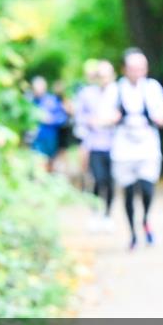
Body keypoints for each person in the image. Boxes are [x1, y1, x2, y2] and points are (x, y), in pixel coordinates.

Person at [102, 48, 163, 251]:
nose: (137, 72)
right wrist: (111, 118)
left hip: (148, 147)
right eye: (133, 68)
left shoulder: (152, 87)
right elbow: (102, 115)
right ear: (124, 69)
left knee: (147, 188)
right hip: (123, 150)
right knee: (129, 191)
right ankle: (133, 233)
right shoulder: (115, 90)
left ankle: (146, 219)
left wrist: (162, 118)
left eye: (141, 68)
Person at [74, 59, 118, 231]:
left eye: (106, 75)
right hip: (94, 144)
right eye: (100, 75)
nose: (103, 78)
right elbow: (79, 117)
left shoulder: (118, 92)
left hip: (115, 145)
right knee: (97, 179)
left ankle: (107, 215)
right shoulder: (87, 94)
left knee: (110, 181)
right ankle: (94, 213)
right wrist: (90, 123)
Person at [28, 75, 68, 173]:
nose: (38, 90)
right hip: (36, 139)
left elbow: (62, 118)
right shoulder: (30, 102)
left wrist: (51, 120)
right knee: (39, 163)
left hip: (51, 138)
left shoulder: (53, 100)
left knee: (50, 164)